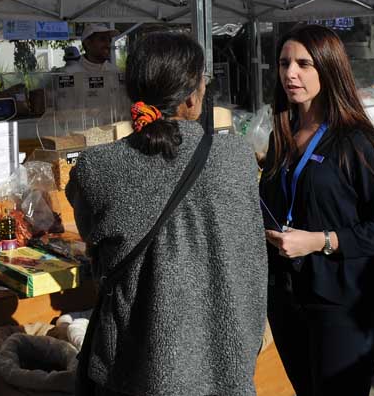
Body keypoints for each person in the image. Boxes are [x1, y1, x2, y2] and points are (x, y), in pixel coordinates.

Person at [66, 32, 266, 396]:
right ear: (192, 95)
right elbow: (253, 261)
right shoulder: (237, 158)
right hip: (227, 363)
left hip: (135, 369)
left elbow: (94, 241)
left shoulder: (97, 168)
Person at [259, 25, 374, 396]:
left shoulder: (359, 143)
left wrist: (321, 241)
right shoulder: (282, 137)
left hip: (342, 306)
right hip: (289, 299)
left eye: (303, 64)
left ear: (328, 68)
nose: (290, 73)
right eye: (284, 63)